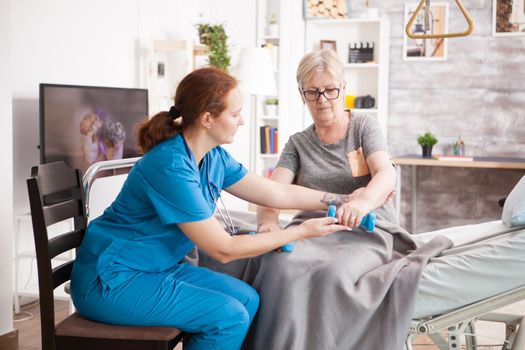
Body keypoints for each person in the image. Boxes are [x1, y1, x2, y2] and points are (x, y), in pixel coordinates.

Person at [70, 67, 352, 350]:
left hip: (155, 269)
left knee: (247, 299)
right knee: (227, 316)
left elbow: (275, 192)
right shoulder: (169, 165)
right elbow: (223, 249)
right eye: (234, 113)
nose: (241, 120)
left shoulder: (213, 156)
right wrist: (300, 232)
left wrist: (340, 199)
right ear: (207, 118)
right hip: (110, 280)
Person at [237, 50, 450, 350]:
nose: (323, 99)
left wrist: (363, 203)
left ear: (343, 88)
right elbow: (272, 192)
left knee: (333, 274)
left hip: (367, 231)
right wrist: (268, 224)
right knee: (277, 266)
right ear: (302, 95)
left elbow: (386, 174)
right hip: (314, 231)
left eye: (330, 90)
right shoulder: (297, 144)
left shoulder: (364, 127)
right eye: (313, 92)